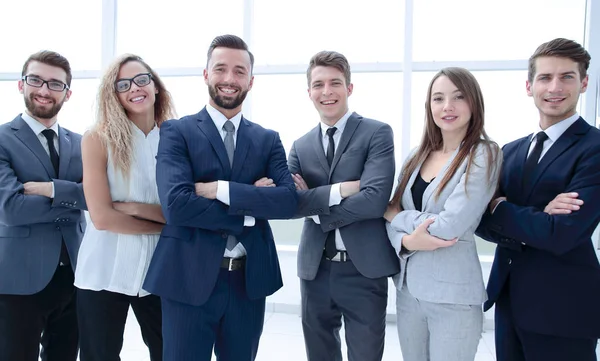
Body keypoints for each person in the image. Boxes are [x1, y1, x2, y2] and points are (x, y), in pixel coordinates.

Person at [143, 34, 298, 361]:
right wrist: (251, 207)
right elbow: (177, 206)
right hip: (187, 278)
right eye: (221, 69)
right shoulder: (176, 132)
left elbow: (287, 201)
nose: (230, 79)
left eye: (240, 71)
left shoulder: (268, 140)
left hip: (248, 281)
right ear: (206, 74)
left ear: (251, 81)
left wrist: (219, 190)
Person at [476, 38, 600, 361]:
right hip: (509, 305)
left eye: (567, 77)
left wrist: (502, 206)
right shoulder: (510, 151)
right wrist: (539, 216)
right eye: (545, 78)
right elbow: (481, 221)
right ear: (529, 86)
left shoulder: (594, 149)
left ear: (584, 82)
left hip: (564, 311)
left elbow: (563, 233)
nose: (555, 87)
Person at [288, 50, 399, 361]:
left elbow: (375, 201)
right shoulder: (300, 145)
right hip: (315, 270)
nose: (327, 92)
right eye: (319, 84)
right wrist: (341, 190)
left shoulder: (377, 133)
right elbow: (291, 204)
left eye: (335, 83)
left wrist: (316, 204)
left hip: (363, 271)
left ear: (349, 88)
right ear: (309, 91)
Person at [385, 67, 501, 361]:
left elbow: (450, 225)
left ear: (473, 103)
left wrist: (399, 219)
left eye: (458, 97)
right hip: (408, 291)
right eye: (438, 98)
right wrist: (408, 241)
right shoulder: (416, 155)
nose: (447, 106)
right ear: (430, 107)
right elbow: (386, 216)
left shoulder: (483, 154)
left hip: (454, 298)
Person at [75, 54, 176, 361]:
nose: (135, 88)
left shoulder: (176, 138)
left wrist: (131, 207)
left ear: (155, 86)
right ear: (114, 94)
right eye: (123, 84)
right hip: (102, 272)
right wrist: (164, 225)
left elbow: (182, 211)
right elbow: (103, 218)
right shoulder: (97, 139)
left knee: (171, 352)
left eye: (142, 79)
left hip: (160, 271)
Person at [0, 50, 86, 361]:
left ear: (68, 93)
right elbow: (11, 208)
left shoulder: (81, 143)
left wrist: (50, 190)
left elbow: (99, 199)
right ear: (21, 85)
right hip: (18, 279)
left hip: (76, 277)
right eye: (36, 80)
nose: (44, 90)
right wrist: (74, 198)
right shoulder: (2, 139)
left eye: (55, 84)